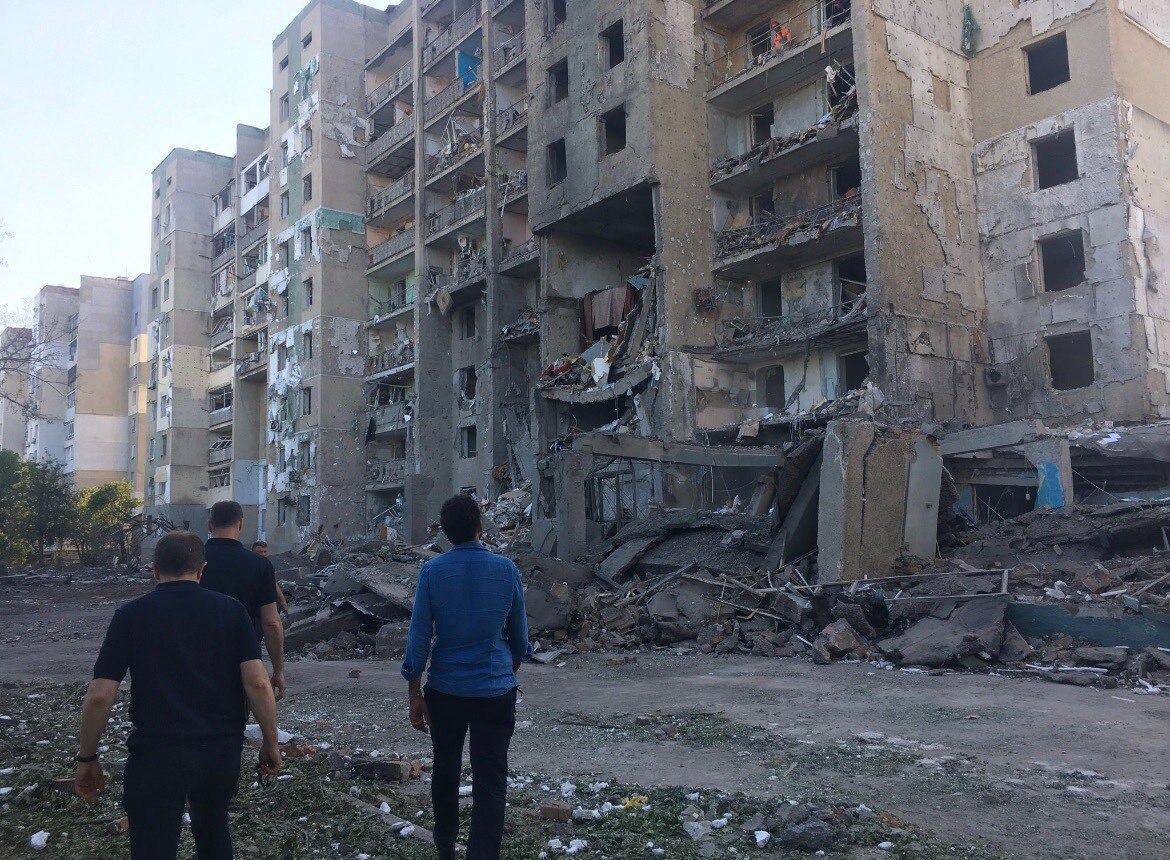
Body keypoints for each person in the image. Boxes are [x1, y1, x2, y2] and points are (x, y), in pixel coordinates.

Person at [75, 532, 281, 860]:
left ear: (155, 570)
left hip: (155, 753)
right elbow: (257, 683)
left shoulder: (130, 616)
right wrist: (270, 742)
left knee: (153, 843)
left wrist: (87, 757)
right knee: (213, 831)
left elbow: (101, 696)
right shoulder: (232, 612)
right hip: (218, 751)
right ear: (201, 570)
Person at [402, 494, 532, 860]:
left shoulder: (433, 572)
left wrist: (415, 693)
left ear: (446, 533)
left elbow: (418, 637)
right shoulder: (506, 569)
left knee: (445, 772)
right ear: (479, 526)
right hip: (495, 691)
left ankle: (445, 850)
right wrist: (508, 668)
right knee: (490, 781)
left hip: (445, 691)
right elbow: (520, 639)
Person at [202, 501, 286, 701]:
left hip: (195, 653)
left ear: (210, 525)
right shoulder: (259, 565)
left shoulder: (193, 560)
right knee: (236, 714)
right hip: (243, 655)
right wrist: (278, 671)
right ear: (240, 523)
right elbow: (271, 622)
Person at [252, 540, 289, 614]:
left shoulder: (267, 566)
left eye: (265, 552)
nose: (262, 554)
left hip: (266, 603)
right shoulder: (249, 565)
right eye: (259, 552)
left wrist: (283, 601)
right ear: (252, 552)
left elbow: (273, 582)